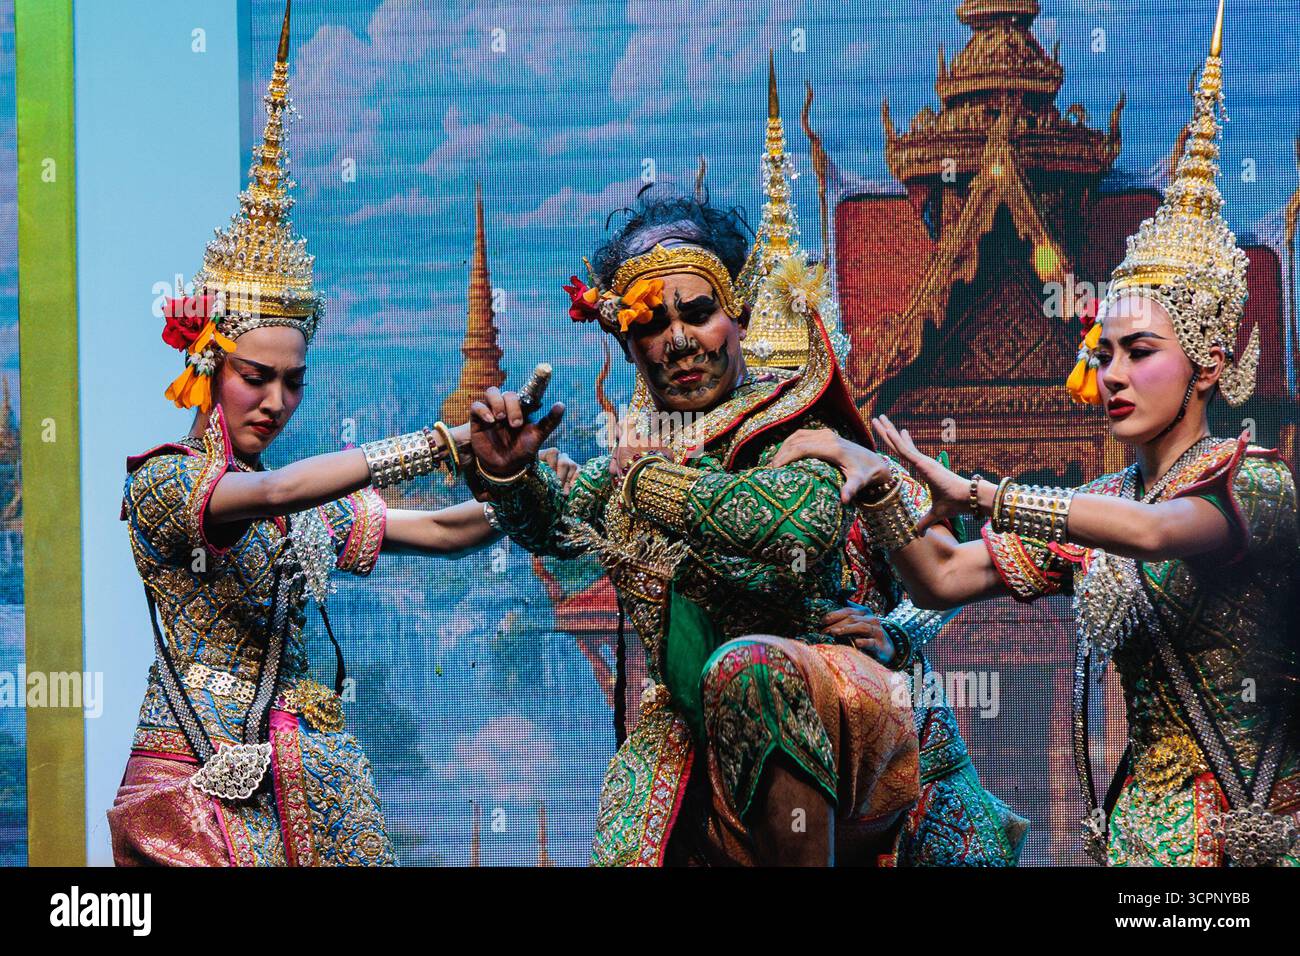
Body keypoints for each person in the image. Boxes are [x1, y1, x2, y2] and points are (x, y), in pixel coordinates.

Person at [772, 1, 1300, 867]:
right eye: (1102, 352)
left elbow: (1158, 532)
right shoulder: (1100, 501)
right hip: (1133, 839)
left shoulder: (1256, 483)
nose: (1114, 374)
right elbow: (941, 576)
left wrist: (983, 494)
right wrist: (872, 478)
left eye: (1140, 352)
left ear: (1207, 365)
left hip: (1247, 849)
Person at [109, 4, 575, 866]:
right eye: (257, 376)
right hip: (188, 795)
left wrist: (525, 480)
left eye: (295, 382)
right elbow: (277, 489)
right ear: (207, 363)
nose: (278, 401)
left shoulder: (304, 519)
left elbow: (441, 530)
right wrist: (439, 445)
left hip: (298, 787)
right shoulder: (166, 485)